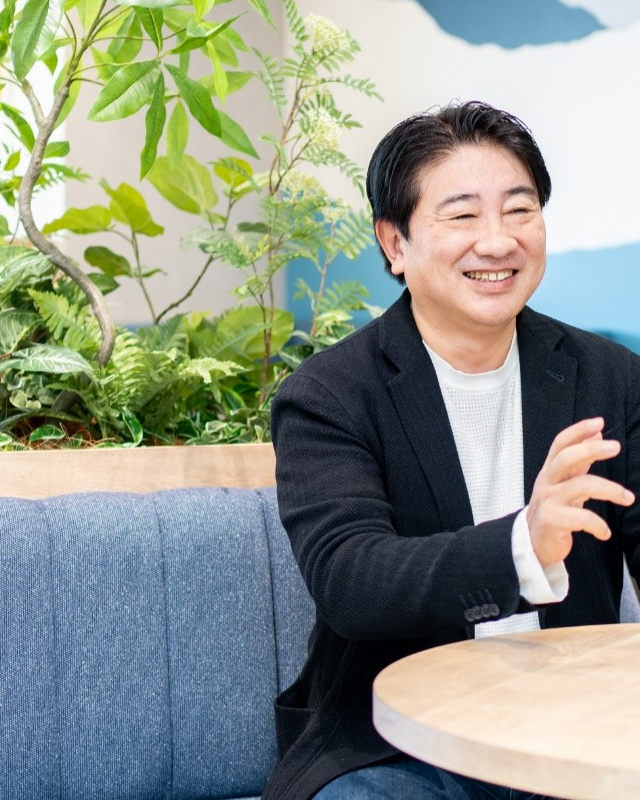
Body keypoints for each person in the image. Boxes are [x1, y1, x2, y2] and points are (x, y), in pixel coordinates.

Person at [262, 101, 640, 800]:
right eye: (462, 215)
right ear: (395, 243)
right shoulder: (329, 394)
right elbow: (351, 582)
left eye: (520, 210)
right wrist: (522, 544)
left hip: (576, 732)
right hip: (398, 749)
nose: (497, 242)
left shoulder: (610, 377)